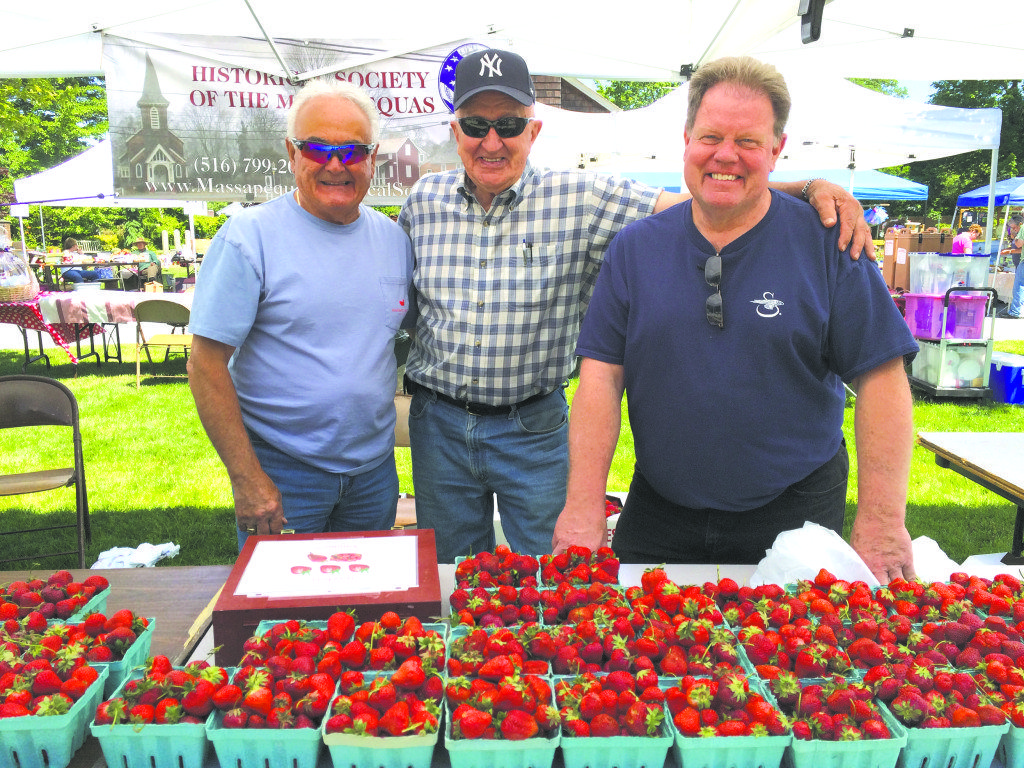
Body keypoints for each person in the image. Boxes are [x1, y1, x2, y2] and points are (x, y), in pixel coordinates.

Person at [399, 47, 877, 563]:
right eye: (475, 124)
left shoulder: (580, 196)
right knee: (451, 576)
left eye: (510, 124)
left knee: (557, 577)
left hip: (529, 429)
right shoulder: (421, 202)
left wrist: (807, 188)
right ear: (456, 131)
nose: (492, 140)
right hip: (440, 427)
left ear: (533, 132)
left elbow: (708, 191)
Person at [551, 56, 919, 584]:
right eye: (710, 137)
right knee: (635, 657)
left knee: (799, 663)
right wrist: (583, 504)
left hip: (796, 510)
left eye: (748, 141)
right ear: (685, 140)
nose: (725, 155)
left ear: (776, 150)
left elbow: (882, 378)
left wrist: (883, 519)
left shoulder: (831, 242)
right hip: (659, 508)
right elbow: (601, 379)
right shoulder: (635, 249)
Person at [187, 79, 414, 548]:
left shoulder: (395, 241)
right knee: (281, 614)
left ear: (372, 158)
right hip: (283, 472)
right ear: (291, 152)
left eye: (352, 151)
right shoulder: (248, 237)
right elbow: (205, 365)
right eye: (317, 149)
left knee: (368, 609)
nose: (335, 165)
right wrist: (247, 478)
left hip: (372, 474)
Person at [999, 214, 1024, 319]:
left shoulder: (1022, 229)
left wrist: (1015, 236)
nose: (1014, 230)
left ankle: (1015, 311)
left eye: (1014, 228)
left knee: (1019, 286)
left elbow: (1019, 244)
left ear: (1020, 224)